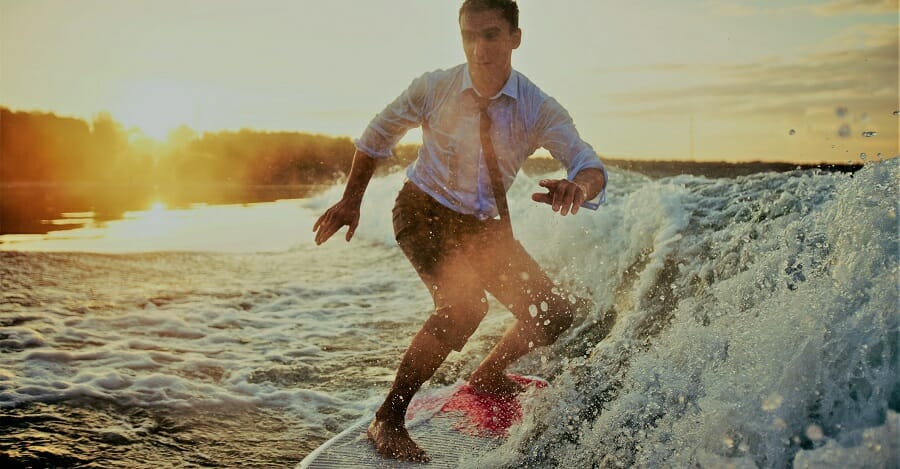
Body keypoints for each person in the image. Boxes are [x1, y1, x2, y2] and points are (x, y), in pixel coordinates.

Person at [312, 0, 607, 461]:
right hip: (422, 209)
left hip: (482, 226)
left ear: (515, 38)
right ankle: (388, 415)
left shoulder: (536, 107)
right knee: (464, 307)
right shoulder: (435, 87)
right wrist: (351, 199)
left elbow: (589, 165)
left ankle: (487, 375)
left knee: (553, 310)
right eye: (469, 36)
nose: (479, 48)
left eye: (491, 35)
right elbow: (377, 136)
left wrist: (577, 186)